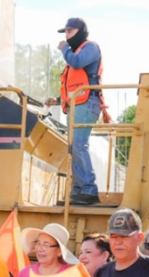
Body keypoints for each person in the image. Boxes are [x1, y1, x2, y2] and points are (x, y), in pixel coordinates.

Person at [45, 17, 102, 206]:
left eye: (70, 31)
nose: (67, 35)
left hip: (87, 103)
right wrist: (59, 99)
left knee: (79, 144)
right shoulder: (74, 53)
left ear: (80, 31)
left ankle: (89, 190)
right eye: (66, 32)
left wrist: (64, 49)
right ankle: (79, 190)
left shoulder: (90, 48)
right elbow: (75, 85)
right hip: (77, 103)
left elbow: (78, 64)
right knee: (73, 147)